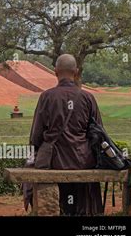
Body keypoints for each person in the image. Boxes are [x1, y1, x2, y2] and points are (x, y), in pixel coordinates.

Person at [28, 54, 104, 215]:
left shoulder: (47, 97)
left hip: (53, 160)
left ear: (55, 72)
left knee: (32, 165)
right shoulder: (87, 98)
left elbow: (36, 135)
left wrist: (37, 151)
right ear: (76, 72)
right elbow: (98, 134)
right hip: (83, 160)